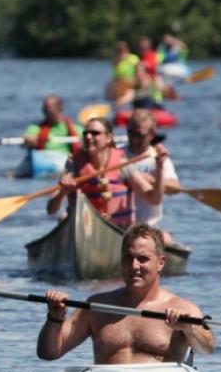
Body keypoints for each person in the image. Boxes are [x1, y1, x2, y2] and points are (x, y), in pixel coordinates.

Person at [37, 224, 215, 364]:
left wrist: (188, 329)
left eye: (142, 259)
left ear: (161, 263)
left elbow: (207, 348)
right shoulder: (96, 307)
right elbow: (49, 353)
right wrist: (55, 318)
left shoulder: (182, 308)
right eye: (128, 258)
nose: (134, 266)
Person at [46, 117, 167, 229]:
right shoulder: (74, 165)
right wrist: (63, 192)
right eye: (85, 133)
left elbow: (154, 199)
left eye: (95, 133)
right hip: (84, 228)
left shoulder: (122, 163)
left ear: (109, 138)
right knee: (63, 218)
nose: (88, 137)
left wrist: (160, 167)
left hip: (118, 230)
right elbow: (51, 209)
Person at [122, 109, 179, 243]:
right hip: (119, 223)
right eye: (130, 132)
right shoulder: (118, 154)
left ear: (152, 134)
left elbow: (174, 188)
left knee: (167, 240)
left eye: (139, 135)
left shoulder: (158, 158)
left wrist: (152, 180)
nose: (133, 138)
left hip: (148, 226)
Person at [105, 41, 139, 105]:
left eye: (123, 50)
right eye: (119, 50)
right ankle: (108, 102)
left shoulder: (133, 58)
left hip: (131, 80)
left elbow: (139, 72)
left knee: (126, 85)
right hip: (119, 81)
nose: (121, 52)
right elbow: (115, 75)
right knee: (109, 86)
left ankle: (118, 103)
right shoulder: (116, 60)